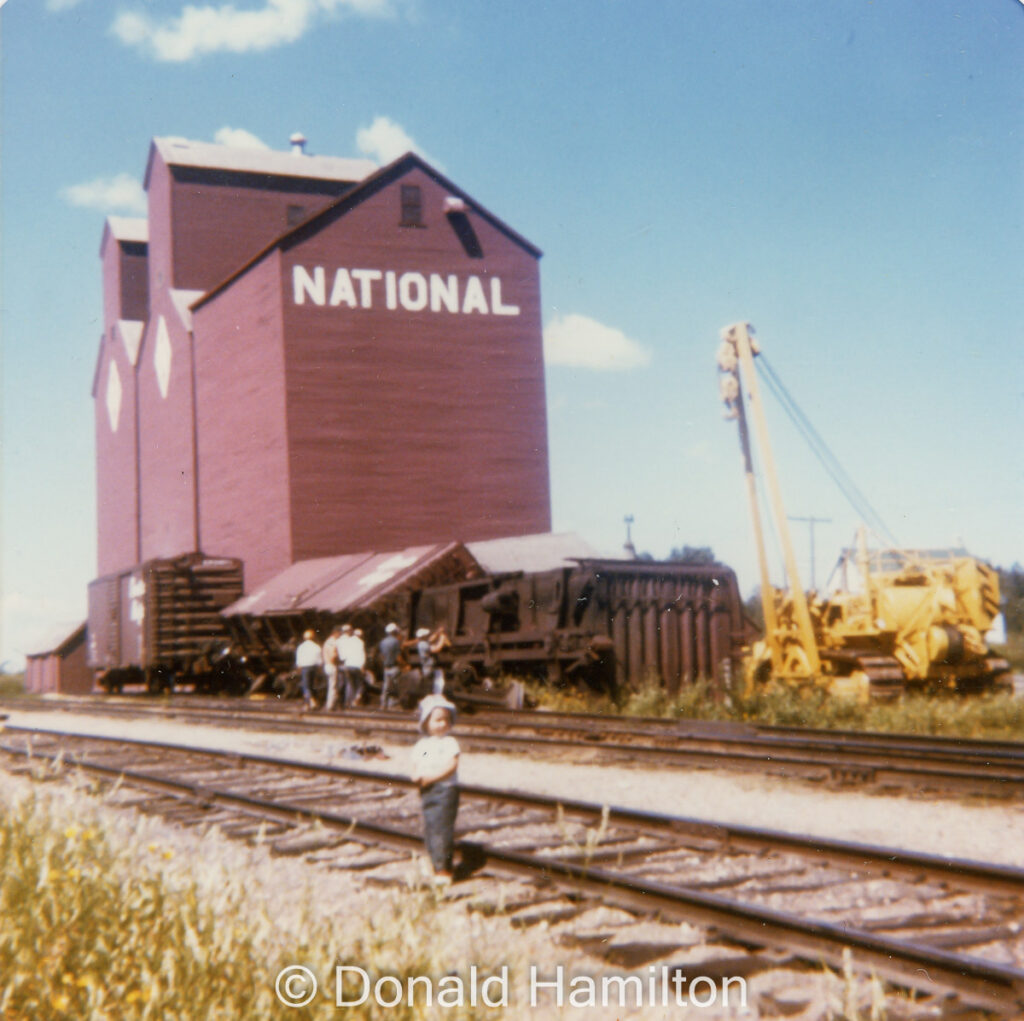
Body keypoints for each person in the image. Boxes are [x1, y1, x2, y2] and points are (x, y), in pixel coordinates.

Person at [411, 693, 460, 884]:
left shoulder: (449, 743)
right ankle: (434, 863)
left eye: (446, 720)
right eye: (437, 719)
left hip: (445, 790)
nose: (442, 724)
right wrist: (416, 774)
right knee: (431, 827)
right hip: (427, 790)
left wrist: (430, 777)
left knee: (442, 829)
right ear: (426, 722)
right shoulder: (423, 745)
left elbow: (451, 766)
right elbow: (417, 762)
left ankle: (444, 871)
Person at [338, 623, 366, 707]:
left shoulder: (348, 641)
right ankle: (357, 698)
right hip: (357, 665)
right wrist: (362, 666)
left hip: (348, 664)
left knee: (350, 684)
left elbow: (344, 656)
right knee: (360, 684)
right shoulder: (360, 642)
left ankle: (348, 702)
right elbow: (362, 655)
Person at [294, 629, 322, 710]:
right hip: (314, 667)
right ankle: (308, 704)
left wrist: (299, 669)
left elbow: (299, 660)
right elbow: (319, 660)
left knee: (306, 686)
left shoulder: (301, 647)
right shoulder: (316, 646)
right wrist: (319, 669)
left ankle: (311, 702)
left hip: (305, 668)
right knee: (312, 686)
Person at [378, 623, 402, 709]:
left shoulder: (382, 642)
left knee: (386, 687)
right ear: (394, 631)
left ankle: (383, 704)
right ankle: (393, 704)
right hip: (394, 667)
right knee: (396, 686)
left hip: (386, 667)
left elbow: (381, 656)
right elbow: (398, 656)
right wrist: (403, 664)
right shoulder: (396, 641)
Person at [322, 625, 342, 711]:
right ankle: (330, 705)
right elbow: (333, 656)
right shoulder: (333, 642)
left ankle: (332, 703)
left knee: (331, 685)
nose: (340, 635)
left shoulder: (327, 642)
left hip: (326, 665)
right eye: (339, 633)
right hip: (332, 665)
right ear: (336, 633)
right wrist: (339, 661)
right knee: (333, 686)